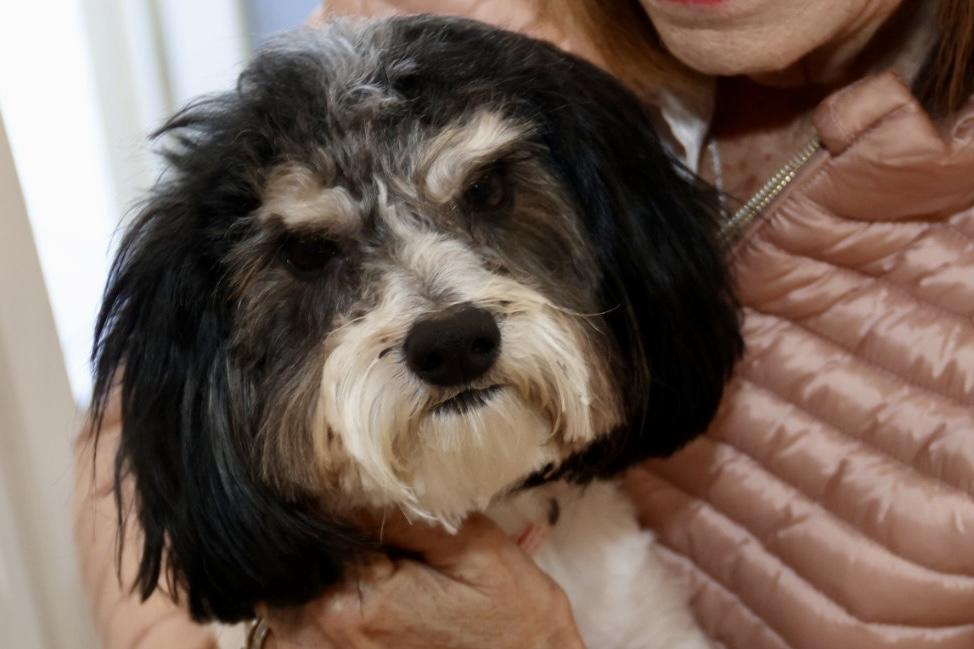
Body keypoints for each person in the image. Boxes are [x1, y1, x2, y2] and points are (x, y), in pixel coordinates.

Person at [75, 1, 974, 648]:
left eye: (488, 194)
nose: (443, 322)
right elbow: (142, 420)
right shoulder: (431, 25)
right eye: (316, 255)